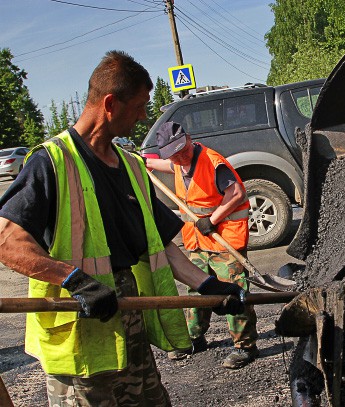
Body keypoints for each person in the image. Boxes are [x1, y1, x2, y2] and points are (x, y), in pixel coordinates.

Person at [0, 50, 245, 406]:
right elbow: (8, 242)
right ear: (110, 103)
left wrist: (207, 285)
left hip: (128, 320)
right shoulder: (50, 163)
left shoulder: (132, 167)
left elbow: (158, 246)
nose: (144, 117)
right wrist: (73, 280)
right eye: (140, 106)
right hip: (81, 332)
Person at [146, 121, 259, 369]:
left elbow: (237, 193)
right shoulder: (177, 163)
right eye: (174, 154)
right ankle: (196, 338)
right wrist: (140, 161)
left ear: (189, 138)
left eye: (182, 149)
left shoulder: (212, 161)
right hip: (197, 240)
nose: (180, 156)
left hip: (224, 238)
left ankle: (245, 346)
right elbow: (159, 164)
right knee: (196, 289)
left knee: (233, 291)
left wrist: (213, 219)